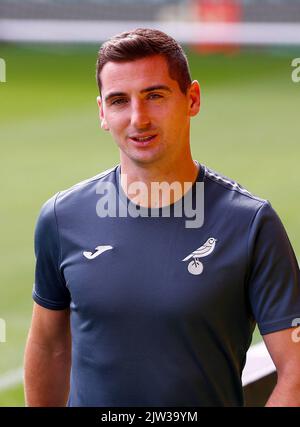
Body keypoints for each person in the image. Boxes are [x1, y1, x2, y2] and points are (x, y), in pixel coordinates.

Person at [24, 28, 300, 407]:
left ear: (192, 99)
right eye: (119, 101)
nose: (139, 118)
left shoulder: (251, 224)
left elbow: (296, 371)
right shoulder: (61, 218)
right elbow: (49, 346)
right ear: (103, 113)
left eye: (155, 96)